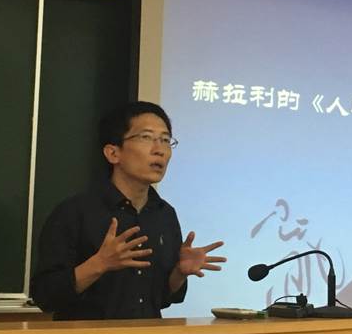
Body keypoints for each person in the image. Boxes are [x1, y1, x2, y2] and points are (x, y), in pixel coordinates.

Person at [31, 101, 225, 320]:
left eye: (165, 140)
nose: (160, 150)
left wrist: (179, 273)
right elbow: (45, 296)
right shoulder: (75, 212)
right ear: (113, 153)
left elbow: (162, 298)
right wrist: (99, 264)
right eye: (146, 137)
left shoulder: (164, 214)